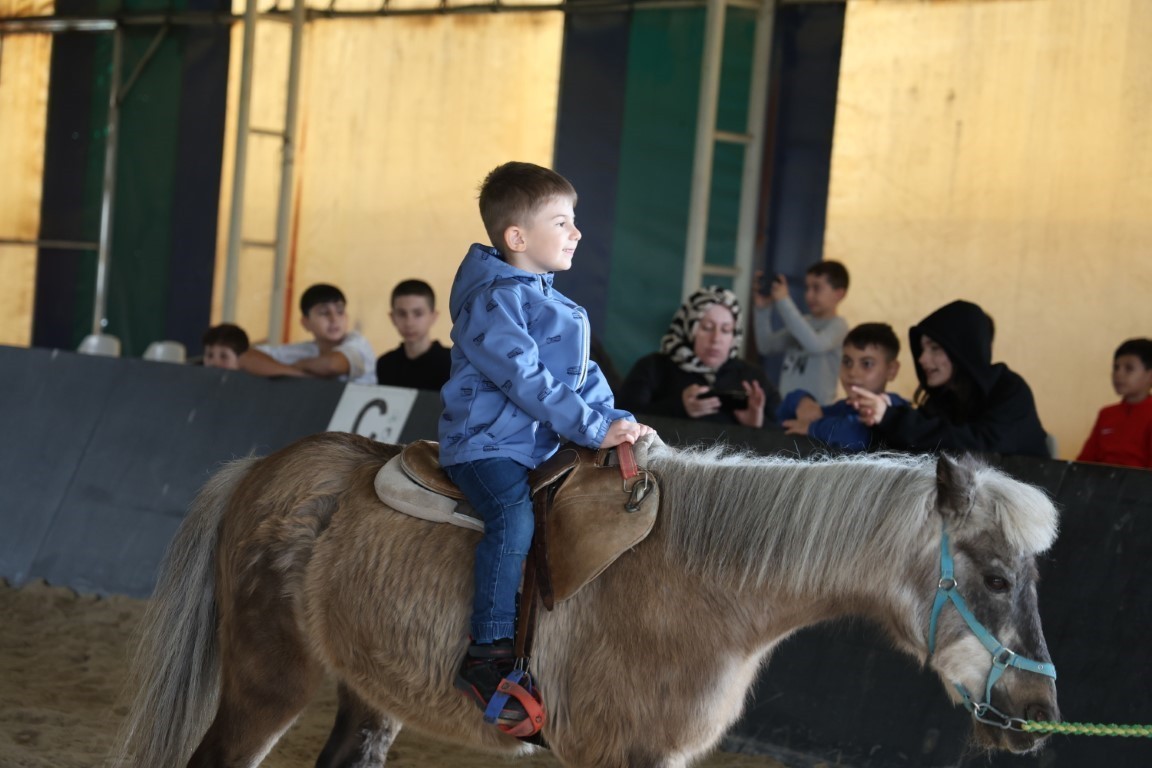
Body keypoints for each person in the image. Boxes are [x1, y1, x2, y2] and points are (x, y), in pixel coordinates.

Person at [438, 161, 653, 728]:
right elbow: (524, 376)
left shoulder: (553, 304)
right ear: (517, 238)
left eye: (574, 221)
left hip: (535, 445)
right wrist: (589, 428)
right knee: (512, 518)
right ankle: (487, 652)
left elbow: (581, 379)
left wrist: (618, 422)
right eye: (562, 221)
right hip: (488, 447)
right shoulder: (494, 301)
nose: (576, 232)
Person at [852, 300, 1049, 457]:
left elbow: (979, 449)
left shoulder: (1009, 390)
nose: (922, 358)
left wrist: (893, 417)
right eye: (922, 349)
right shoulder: (943, 399)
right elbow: (917, 446)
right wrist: (882, 417)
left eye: (935, 348)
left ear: (962, 351)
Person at [617, 286, 778, 428]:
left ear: (735, 336)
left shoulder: (752, 378)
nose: (716, 338)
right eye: (707, 328)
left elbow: (789, 432)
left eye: (726, 330)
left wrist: (757, 424)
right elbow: (621, 420)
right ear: (688, 328)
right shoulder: (654, 367)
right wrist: (679, 407)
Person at [777, 322, 907, 452]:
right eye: (847, 362)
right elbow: (784, 417)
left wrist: (813, 427)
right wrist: (802, 401)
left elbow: (857, 435)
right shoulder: (845, 408)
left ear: (891, 370)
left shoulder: (894, 408)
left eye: (867, 364)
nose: (852, 372)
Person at [753, 261, 850, 406]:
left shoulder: (839, 326)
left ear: (839, 294)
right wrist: (762, 310)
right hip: (786, 407)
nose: (809, 295)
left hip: (817, 413)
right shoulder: (803, 323)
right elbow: (766, 346)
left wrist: (784, 301)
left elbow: (815, 345)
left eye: (817, 288)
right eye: (807, 288)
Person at [239, 283, 376, 384]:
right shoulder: (304, 350)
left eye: (340, 312)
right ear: (306, 323)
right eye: (324, 313)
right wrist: (297, 373)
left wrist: (298, 365)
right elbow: (245, 356)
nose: (334, 319)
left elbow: (332, 365)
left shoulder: (358, 344)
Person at [1076, 338, 1152, 469]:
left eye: (1129, 368)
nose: (1118, 374)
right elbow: (1084, 463)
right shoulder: (1107, 414)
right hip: (1101, 483)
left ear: (1150, 374)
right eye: (1116, 367)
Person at [375, 279, 452, 391]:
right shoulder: (385, 364)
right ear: (392, 317)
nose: (409, 323)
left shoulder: (451, 363)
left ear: (433, 316)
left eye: (418, 314)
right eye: (402, 314)